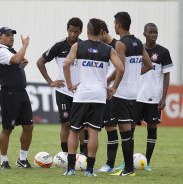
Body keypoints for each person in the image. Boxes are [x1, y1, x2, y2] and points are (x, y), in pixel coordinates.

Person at [63, 18, 124, 177]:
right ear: (101, 32)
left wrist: (70, 85)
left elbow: (65, 65)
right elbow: (121, 68)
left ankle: (70, 169)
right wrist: (114, 87)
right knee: (94, 133)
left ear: (88, 32)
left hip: (82, 94)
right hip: (99, 95)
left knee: (74, 131)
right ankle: (89, 170)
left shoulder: (78, 46)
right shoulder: (108, 49)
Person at [109, 12, 153, 176]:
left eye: (114, 23)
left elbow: (120, 68)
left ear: (119, 25)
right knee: (127, 132)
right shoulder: (138, 42)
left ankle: (128, 169)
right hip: (135, 92)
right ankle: (129, 168)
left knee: (125, 132)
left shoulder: (120, 44)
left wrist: (114, 86)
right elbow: (149, 65)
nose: (114, 26)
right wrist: (134, 76)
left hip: (122, 93)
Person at [36, 17, 87, 154]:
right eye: (70, 31)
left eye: (76, 32)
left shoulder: (84, 46)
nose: (72, 34)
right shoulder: (59, 46)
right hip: (63, 91)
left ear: (80, 31)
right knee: (66, 123)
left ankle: (83, 155)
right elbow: (40, 62)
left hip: (80, 92)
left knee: (81, 125)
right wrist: (50, 82)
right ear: (67, 29)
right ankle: (65, 155)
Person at [132, 23, 173, 171]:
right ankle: (127, 161)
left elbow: (167, 75)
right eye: (150, 32)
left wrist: (163, 97)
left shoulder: (163, 52)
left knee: (152, 127)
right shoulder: (137, 50)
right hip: (136, 96)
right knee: (130, 127)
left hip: (154, 97)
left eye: (156, 32)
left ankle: (147, 162)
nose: (154, 34)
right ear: (144, 33)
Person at [0, 27, 33, 169]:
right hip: (9, 94)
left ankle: (22, 159)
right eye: (8, 35)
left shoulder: (10, 51)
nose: (11, 37)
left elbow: (23, 61)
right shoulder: (1, 50)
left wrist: (19, 59)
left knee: (29, 126)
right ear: (0, 37)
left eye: (12, 35)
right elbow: (18, 59)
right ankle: (4, 160)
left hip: (22, 93)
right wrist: (24, 46)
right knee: (7, 128)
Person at [97, 21, 119, 172]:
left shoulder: (117, 45)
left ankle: (110, 164)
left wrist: (107, 83)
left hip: (111, 93)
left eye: (98, 36)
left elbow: (119, 68)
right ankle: (84, 160)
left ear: (104, 33)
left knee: (110, 127)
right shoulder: (99, 47)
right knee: (88, 127)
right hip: (97, 93)